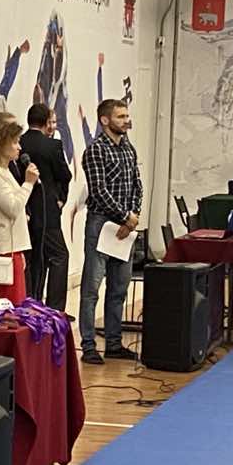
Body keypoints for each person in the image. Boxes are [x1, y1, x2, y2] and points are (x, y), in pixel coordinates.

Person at [79, 98, 142, 366]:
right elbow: (99, 191)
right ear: (105, 120)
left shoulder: (128, 148)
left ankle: (114, 344)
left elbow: (137, 185)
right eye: (120, 117)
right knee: (92, 288)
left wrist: (132, 217)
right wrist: (125, 216)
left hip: (126, 225)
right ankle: (89, 345)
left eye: (127, 116)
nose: (126, 121)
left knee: (119, 287)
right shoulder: (96, 150)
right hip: (101, 223)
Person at [0, 119, 37, 306]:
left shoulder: (4, 171)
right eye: (15, 142)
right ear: (1, 143)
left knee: (16, 303)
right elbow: (12, 208)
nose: (19, 147)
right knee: (7, 305)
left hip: (12, 248)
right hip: (2, 250)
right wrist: (28, 183)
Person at [21, 103, 72, 311]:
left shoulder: (19, 142)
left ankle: (31, 301)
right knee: (59, 255)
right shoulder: (52, 146)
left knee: (33, 257)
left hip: (24, 208)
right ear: (45, 122)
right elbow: (65, 175)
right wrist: (61, 198)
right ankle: (54, 308)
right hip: (47, 209)